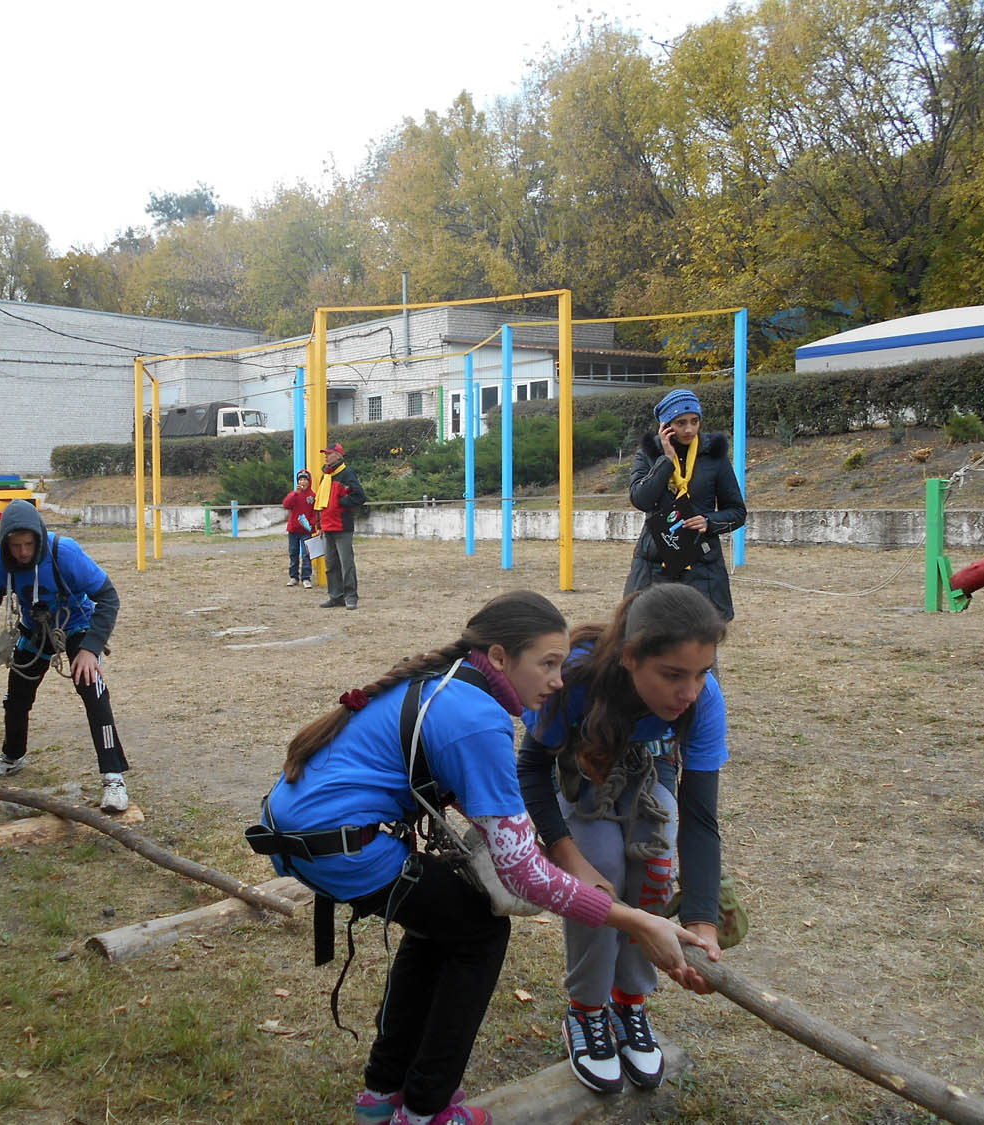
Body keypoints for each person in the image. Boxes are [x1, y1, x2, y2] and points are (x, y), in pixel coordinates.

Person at [250, 591, 706, 1125]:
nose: (559, 681)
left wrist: (537, 849)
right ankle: (425, 1109)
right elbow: (524, 875)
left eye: (562, 665)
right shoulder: (478, 718)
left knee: (441, 927)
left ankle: (383, 1094)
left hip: (301, 835)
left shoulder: (452, 684)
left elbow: (483, 808)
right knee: (479, 934)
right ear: (499, 657)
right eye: (547, 664)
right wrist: (637, 921)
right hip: (342, 851)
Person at [518, 584, 727, 1095]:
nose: (690, 692)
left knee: (653, 871)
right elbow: (532, 769)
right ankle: (587, 1009)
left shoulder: (703, 701)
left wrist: (702, 924)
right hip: (581, 771)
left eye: (702, 673)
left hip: (646, 771)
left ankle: (629, 1003)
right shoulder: (574, 681)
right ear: (630, 658)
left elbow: (699, 815)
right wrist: (567, 856)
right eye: (673, 675)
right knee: (602, 874)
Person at [0, 500, 132, 813]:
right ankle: (12, 756)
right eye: (15, 546)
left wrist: (90, 649)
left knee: (93, 692)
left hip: (77, 625)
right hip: (34, 628)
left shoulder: (65, 552)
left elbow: (108, 597)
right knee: (16, 697)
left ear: (39, 538)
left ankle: (113, 777)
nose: (23, 553)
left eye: (29, 544)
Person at [625, 388, 746, 621]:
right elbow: (640, 499)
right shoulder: (649, 453)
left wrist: (709, 522)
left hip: (702, 563)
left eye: (694, 421)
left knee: (703, 633)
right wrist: (666, 460)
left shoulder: (714, 455)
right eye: (681, 423)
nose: (689, 429)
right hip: (655, 561)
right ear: (666, 425)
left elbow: (737, 512)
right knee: (644, 630)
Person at [314, 442, 366, 610]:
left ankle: (351, 597)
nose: (326, 456)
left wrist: (340, 502)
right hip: (327, 526)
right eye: (325, 454)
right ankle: (335, 596)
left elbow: (360, 496)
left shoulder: (347, 474)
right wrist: (319, 524)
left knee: (346, 564)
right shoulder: (326, 475)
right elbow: (320, 502)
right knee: (331, 565)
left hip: (342, 526)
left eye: (328, 453)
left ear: (338, 455)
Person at [280, 468, 316, 588]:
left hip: (306, 530)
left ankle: (306, 577)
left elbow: (315, 512)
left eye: (305, 480)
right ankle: (293, 576)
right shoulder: (294, 494)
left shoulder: (313, 496)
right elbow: (286, 504)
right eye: (300, 480)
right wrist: (295, 493)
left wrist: (311, 524)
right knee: (293, 553)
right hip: (293, 529)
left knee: (306, 554)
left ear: (309, 481)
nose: (302, 482)